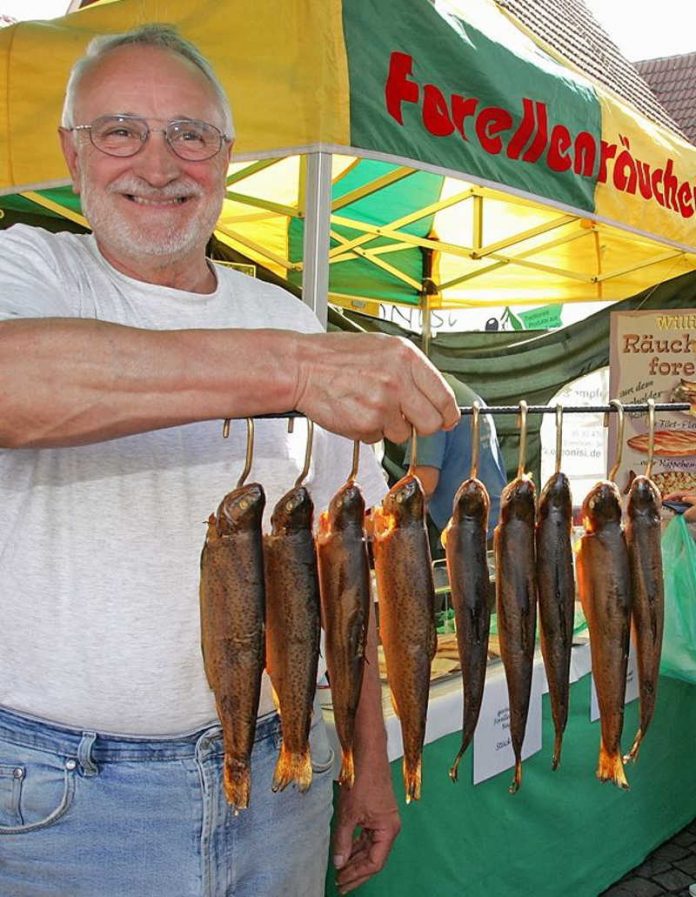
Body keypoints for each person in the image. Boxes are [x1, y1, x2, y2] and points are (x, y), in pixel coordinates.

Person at [0, 25, 459, 897]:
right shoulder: (26, 270)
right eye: (119, 130)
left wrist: (367, 756)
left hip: (282, 777)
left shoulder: (289, 317)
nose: (159, 163)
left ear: (227, 156)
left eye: (191, 134)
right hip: (62, 803)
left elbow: (345, 575)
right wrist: (296, 371)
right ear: (71, 150)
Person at [397, 373, 507, 560]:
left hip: (472, 533)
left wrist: (382, 515)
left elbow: (423, 485)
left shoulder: (430, 400)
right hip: (496, 524)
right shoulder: (457, 391)